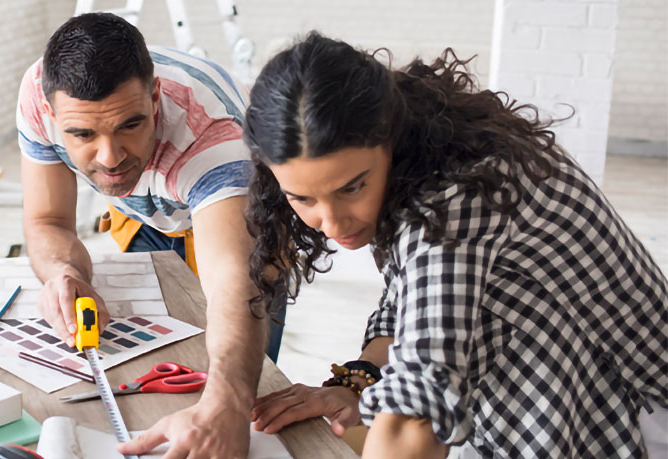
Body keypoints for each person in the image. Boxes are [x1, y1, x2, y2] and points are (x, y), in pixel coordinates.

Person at [242, 33, 667, 458]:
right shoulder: (426, 155)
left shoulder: (455, 199)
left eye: (352, 187)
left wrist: (391, 406)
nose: (332, 222)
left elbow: (415, 422)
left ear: (389, 136)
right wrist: (359, 380)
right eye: (303, 198)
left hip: (630, 411)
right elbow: (413, 301)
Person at [16, 13, 270, 457]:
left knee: (239, 399)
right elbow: (49, 221)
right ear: (51, 112)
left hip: (237, 215)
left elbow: (235, 284)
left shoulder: (213, 138)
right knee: (146, 375)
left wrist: (228, 402)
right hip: (147, 214)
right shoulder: (37, 92)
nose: (110, 158)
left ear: (154, 98)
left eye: (129, 125)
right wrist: (63, 272)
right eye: (82, 134)